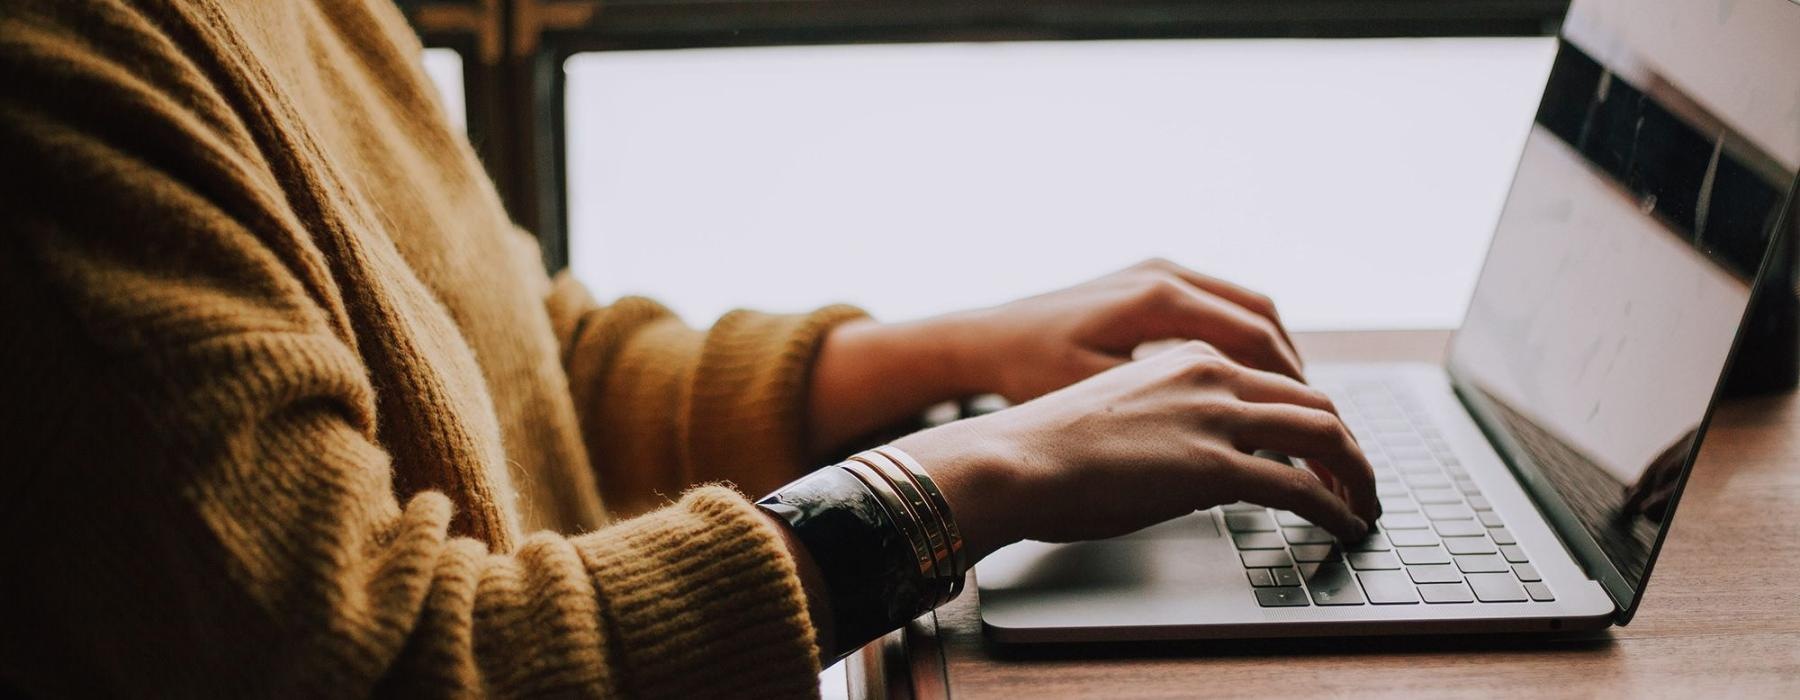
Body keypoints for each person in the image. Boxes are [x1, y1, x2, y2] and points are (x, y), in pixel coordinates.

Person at [0, 0, 1378, 696]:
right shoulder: (55, 74)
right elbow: (402, 664)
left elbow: (523, 362)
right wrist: (964, 477)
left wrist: (955, 356)